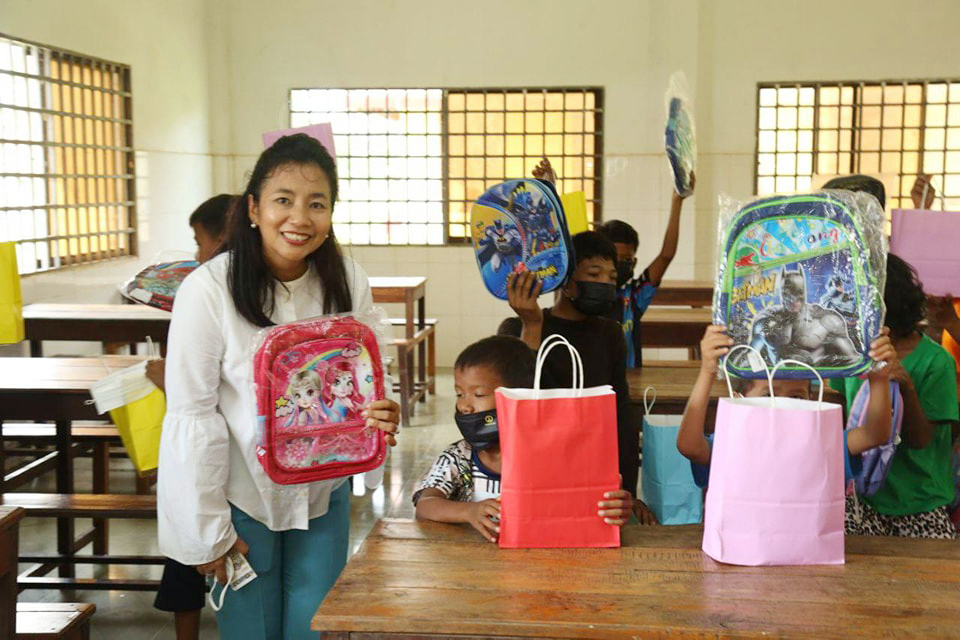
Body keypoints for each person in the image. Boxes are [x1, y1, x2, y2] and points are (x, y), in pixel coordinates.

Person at [157, 134, 401, 639]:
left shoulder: (347, 279)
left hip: (324, 492)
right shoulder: (209, 290)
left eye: (317, 204)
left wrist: (382, 409)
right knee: (252, 630)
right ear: (254, 208)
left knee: (315, 628)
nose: (300, 218)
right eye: (283, 200)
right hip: (242, 497)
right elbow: (192, 413)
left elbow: (369, 373)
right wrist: (208, 530)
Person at [497, 231, 657, 524]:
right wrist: (532, 325)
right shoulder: (515, 328)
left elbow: (620, 416)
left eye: (611, 277)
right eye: (594, 274)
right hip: (536, 471)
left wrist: (627, 492)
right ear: (566, 280)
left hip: (592, 473)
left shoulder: (610, 334)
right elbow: (516, 406)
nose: (605, 283)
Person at [413, 335, 633, 541]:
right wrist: (469, 511)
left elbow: (589, 510)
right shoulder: (458, 457)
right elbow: (425, 504)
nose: (464, 406)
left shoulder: (559, 457)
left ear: (521, 397)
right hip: (473, 564)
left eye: (478, 394)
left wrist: (614, 509)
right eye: (459, 394)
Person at [144, 193, 235, 640]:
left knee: (192, 550)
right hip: (200, 456)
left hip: (216, 458)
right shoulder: (203, 289)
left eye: (200, 242)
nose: (197, 254)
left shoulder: (218, 290)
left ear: (221, 238)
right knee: (188, 546)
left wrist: (169, 383)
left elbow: (207, 394)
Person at [677, 325, 897, 494]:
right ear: (738, 400)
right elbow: (689, 446)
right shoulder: (732, 443)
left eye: (796, 398)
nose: (782, 407)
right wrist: (707, 371)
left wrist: (879, 379)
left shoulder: (822, 442)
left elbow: (874, 434)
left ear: (811, 400)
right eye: (768, 396)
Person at [830, 255, 959, 539]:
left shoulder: (936, 362)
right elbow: (844, 412)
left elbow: (921, 440)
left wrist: (906, 386)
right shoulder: (853, 354)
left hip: (920, 504)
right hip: (862, 498)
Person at [532, 157, 695, 369]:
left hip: (625, 379)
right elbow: (560, 241)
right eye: (597, 270)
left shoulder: (633, 297)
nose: (616, 267)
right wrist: (549, 190)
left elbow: (666, 255)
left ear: (634, 261)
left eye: (626, 261)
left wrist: (677, 200)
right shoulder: (577, 290)